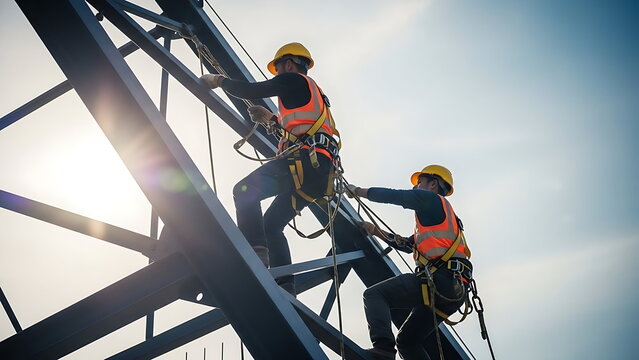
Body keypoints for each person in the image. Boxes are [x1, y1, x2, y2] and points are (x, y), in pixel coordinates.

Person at [200, 42, 339, 295]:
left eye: (278, 68)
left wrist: (219, 80)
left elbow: (253, 90)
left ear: (287, 64)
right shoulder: (311, 93)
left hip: (304, 163)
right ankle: (285, 284)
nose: (277, 74)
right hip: (317, 173)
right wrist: (271, 119)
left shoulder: (293, 81)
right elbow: (301, 128)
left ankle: (255, 254)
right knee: (272, 225)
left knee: (243, 191)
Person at [347, 165, 472, 360]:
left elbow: (396, 196)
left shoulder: (431, 199)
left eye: (419, 183)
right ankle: (388, 349)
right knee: (407, 342)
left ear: (433, 184)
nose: (415, 188)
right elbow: (407, 245)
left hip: (440, 280)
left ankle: (383, 349)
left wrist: (358, 191)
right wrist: (375, 231)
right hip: (453, 289)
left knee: (374, 295)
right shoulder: (439, 221)